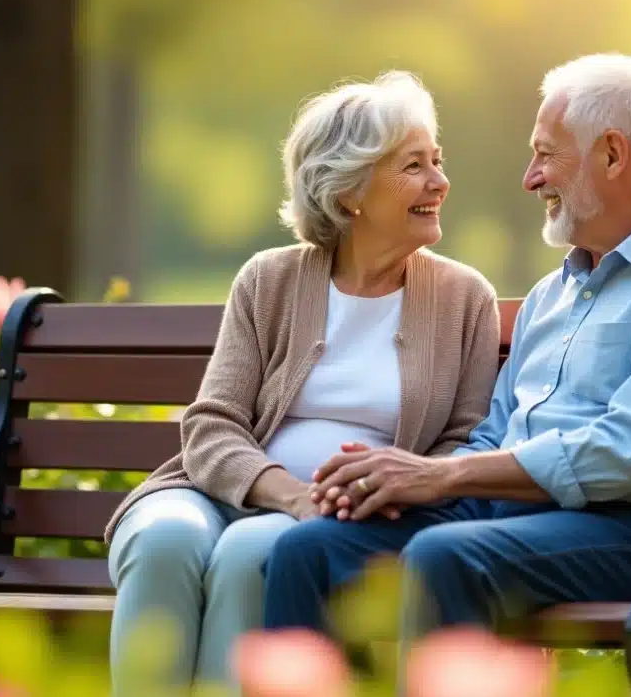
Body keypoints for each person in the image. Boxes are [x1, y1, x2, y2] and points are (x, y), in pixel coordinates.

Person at [261, 53, 631, 644]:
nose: (531, 177)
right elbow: (498, 430)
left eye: (546, 154)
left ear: (612, 154)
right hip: (515, 517)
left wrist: (444, 476)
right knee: (309, 548)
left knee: (443, 555)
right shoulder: (553, 293)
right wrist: (411, 478)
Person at [103, 70, 501, 695]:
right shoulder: (270, 279)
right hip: (220, 491)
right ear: (349, 195)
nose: (439, 182)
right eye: (413, 166)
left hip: (342, 519)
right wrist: (289, 493)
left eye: (437, 160)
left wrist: (384, 489)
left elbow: (465, 440)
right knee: (163, 540)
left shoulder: (463, 299)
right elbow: (211, 425)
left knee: (249, 556)